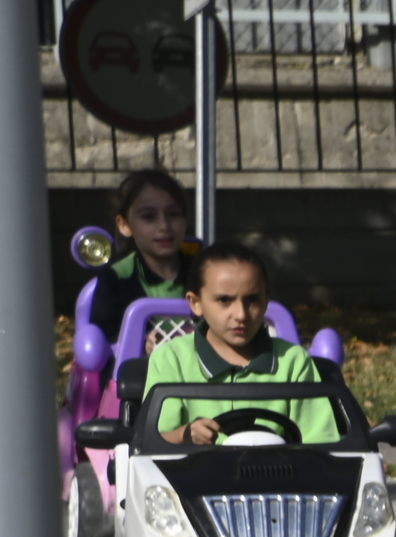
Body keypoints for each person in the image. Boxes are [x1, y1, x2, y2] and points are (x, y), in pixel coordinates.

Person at [144, 242, 328, 446]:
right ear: (196, 303)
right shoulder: (170, 359)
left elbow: (321, 441)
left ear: (267, 301)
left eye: (253, 300)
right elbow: (149, 442)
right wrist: (185, 435)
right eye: (224, 300)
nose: (241, 314)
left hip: (280, 473)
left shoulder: (294, 361)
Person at [83, 168, 194, 348]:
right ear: (124, 225)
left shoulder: (204, 273)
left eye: (173, 214)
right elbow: (105, 336)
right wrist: (141, 342)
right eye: (149, 217)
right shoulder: (116, 279)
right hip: (139, 373)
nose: (164, 226)